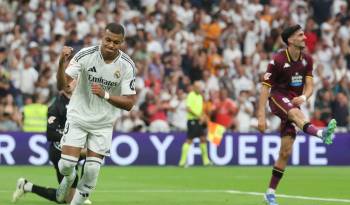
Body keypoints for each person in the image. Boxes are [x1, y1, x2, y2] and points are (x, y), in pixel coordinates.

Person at [54, 23, 136, 205]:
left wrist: (105, 94)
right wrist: (61, 63)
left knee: (91, 171)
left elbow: (130, 103)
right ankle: (69, 178)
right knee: (66, 166)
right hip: (78, 117)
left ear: (121, 43)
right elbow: (62, 86)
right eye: (108, 40)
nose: (111, 45)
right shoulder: (85, 55)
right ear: (102, 37)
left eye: (116, 42)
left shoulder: (127, 65)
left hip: (103, 124)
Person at [257, 24, 337, 205]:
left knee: (285, 152)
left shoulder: (307, 59)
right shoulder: (277, 60)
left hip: (294, 100)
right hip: (278, 98)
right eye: (300, 35)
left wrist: (304, 97)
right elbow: (264, 89)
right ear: (291, 40)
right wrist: (261, 117)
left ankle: (269, 193)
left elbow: (310, 86)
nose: (305, 38)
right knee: (294, 113)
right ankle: (321, 133)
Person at [12, 48, 91, 204]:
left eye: (74, 79)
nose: (71, 82)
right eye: (68, 79)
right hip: (60, 152)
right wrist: (73, 140)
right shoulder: (56, 107)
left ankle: (27, 186)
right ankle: (28, 186)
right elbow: (51, 134)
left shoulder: (81, 102)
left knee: (69, 197)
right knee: (64, 199)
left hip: (75, 150)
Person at [178, 81, 211, 167]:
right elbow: (188, 109)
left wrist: (203, 116)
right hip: (192, 121)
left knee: (203, 138)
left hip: (199, 121)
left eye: (200, 87)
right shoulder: (191, 95)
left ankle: (206, 161)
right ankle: (182, 161)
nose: (199, 89)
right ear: (194, 87)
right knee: (189, 140)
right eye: (198, 87)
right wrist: (198, 116)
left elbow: (199, 109)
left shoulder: (200, 96)